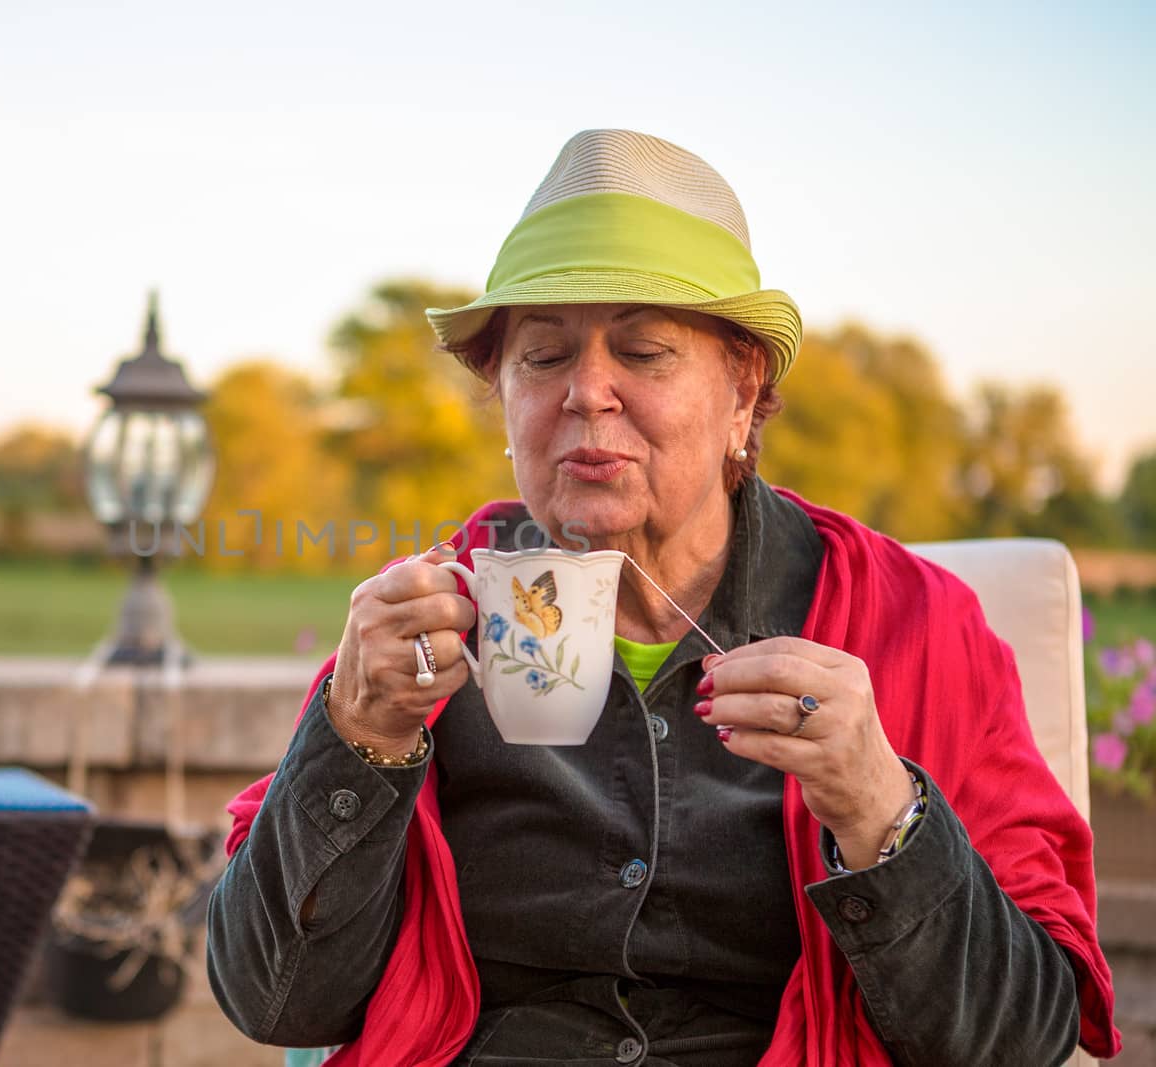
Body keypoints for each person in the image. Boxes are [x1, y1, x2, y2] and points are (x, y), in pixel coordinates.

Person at [206, 130, 1120, 1066]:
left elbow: (1024, 1038)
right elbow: (275, 1002)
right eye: (543, 357)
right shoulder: (429, 623)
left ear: (742, 391)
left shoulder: (916, 625)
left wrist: (881, 808)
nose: (586, 392)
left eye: (644, 352)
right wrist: (358, 731)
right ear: (505, 399)